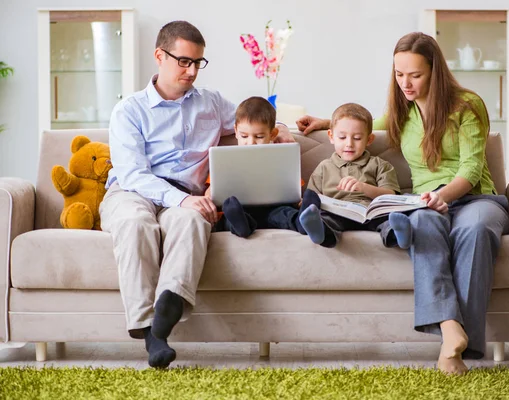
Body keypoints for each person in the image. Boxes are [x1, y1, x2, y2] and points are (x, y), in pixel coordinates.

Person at [296, 32, 509, 375]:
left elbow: (471, 167)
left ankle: (460, 346)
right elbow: (370, 125)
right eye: (399, 74)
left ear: (434, 71)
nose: (405, 83)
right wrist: (325, 122)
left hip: (473, 197)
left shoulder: (467, 105)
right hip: (422, 200)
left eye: (415, 75)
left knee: (475, 229)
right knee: (421, 226)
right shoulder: (402, 110)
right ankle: (449, 328)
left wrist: (444, 196)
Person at [99, 21, 293, 369]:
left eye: (198, 63)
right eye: (184, 61)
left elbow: (254, 120)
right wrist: (181, 199)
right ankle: (149, 331)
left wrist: (287, 131)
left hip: (187, 197)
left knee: (193, 221)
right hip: (132, 192)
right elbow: (132, 173)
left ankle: (168, 307)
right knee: (135, 223)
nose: (191, 71)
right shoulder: (129, 110)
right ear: (160, 56)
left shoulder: (213, 103)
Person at [208, 96, 322, 240]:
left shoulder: (280, 156)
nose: (251, 142)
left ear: (273, 134)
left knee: (285, 214)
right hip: (242, 211)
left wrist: (299, 199)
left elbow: (293, 188)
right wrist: (209, 193)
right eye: (244, 136)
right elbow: (213, 188)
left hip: (273, 209)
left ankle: (303, 221)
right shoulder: (225, 158)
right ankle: (241, 226)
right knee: (228, 217)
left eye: (259, 136)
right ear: (235, 131)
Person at [302, 102, 413, 249]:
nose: (349, 144)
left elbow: (390, 194)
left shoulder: (380, 165)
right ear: (331, 136)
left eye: (357, 138)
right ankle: (320, 232)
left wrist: (363, 187)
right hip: (337, 213)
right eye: (342, 137)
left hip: (370, 212)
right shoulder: (324, 167)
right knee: (326, 218)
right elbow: (313, 197)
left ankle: (398, 234)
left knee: (386, 218)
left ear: (369, 140)